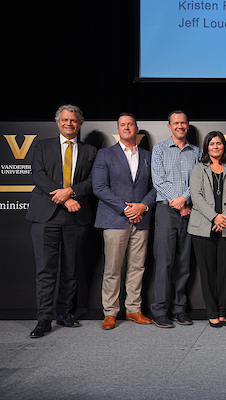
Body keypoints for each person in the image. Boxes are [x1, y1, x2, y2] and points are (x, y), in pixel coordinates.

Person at [26, 104, 97, 338]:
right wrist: (66, 198)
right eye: (65, 120)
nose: (69, 124)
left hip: (76, 218)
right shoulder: (42, 146)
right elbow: (39, 176)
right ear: (58, 122)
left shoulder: (90, 151)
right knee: (46, 270)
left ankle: (65, 313)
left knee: (71, 269)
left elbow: (91, 182)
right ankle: (44, 319)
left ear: (80, 123)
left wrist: (72, 192)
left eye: (73, 121)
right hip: (46, 216)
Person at [92, 113, 156, 330]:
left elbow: (157, 186)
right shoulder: (105, 154)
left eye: (130, 124)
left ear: (136, 128)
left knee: (137, 267)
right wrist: (126, 208)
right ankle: (110, 312)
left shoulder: (148, 155)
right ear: (117, 130)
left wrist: (142, 206)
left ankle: (133, 309)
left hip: (142, 219)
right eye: (122, 125)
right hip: (115, 219)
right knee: (112, 268)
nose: (127, 127)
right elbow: (99, 187)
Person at [150, 110, 200, 328]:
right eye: (175, 123)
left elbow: (197, 183)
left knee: (183, 263)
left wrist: (185, 200)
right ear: (169, 126)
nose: (180, 126)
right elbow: (158, 181)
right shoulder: (159, 149)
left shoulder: (196, 152)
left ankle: (179, 309)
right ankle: (160, 310)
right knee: (164, 262)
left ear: (187, 126)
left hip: (189, 211)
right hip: (165, 211)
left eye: (183, 123)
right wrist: (177, 202)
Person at [188, 131, 226, 328]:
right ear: (206, 147)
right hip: (203, 227)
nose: (216, 146)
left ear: (224, 146)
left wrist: (223, 218)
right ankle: (211, 312)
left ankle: (222, 311)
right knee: (207, 271)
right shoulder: (198, 169)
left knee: (225, 273)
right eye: (212, 143)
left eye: (219, 143)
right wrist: (214, 217)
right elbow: (196, 196)